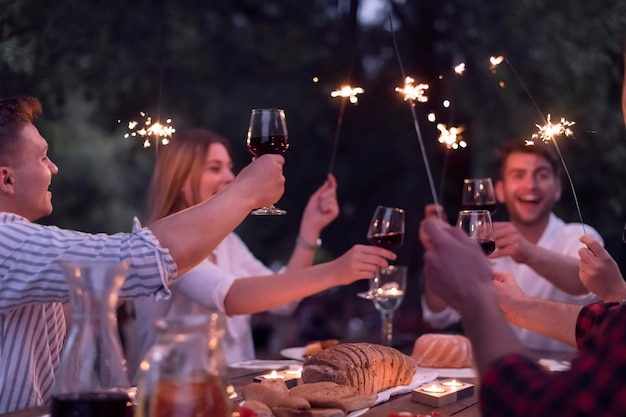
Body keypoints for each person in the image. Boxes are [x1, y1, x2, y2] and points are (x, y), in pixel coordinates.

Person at [0, 96, 285, 413]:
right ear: (6, 178)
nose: (54, 167)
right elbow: (142, 257)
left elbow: (66, 320)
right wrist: (245, 192)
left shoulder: (19, 253)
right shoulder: (5, 240)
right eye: (43, 158)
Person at [132, 128, 396, 369]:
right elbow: (233, 297)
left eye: (229, 167)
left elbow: (284, 298)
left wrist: (309, 230)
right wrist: (335, 272)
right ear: (180, 180)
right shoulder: (164, 245)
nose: (230, 177)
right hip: (173, 397)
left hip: (231, 393)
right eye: (215, 168)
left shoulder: (228, 242)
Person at [422, 216, 626, 417]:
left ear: (557, 189)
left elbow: (535, 406)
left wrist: (478, 300)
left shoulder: (574, 233)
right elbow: (597, 321)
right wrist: (517, 306)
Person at [421, 140, 602, 351]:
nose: (530, 186)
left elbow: (587, 283)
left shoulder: (580, 235)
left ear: (557, 189)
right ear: (499, 190)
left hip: (567, 375)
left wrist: (527, 252)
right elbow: (439, 314)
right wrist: (436, 253)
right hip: (500, 374)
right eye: (518, 175)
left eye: (541, 175)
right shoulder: (481, 245)